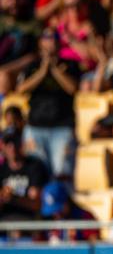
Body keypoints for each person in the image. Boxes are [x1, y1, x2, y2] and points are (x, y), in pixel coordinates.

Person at [15, 30, 79, 178]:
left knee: (62, 174)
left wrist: (54, 68)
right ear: (40, 43)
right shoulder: (32, 66)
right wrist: (43, 71)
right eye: (46, 38)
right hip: (35, 128)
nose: (50, 42)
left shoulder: (69, 65)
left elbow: (73, 88)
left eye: (53, 38)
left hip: (62, 128)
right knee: (37, 174)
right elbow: (21, 89)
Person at [0, 129, 49, 224]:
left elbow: (37, 204)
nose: (12, 147)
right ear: (3, 147)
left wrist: (14, 198)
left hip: (29, 222)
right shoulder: (1, 170)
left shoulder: (34, 167)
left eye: (15, 142)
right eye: (8, 144)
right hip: (4, 222)